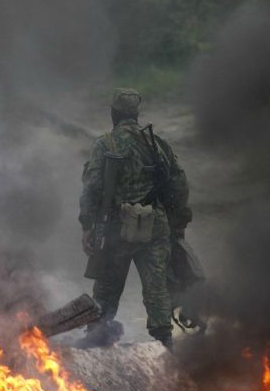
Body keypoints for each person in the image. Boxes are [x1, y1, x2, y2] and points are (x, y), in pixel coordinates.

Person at [78, 88, 191, 349]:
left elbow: (92, 187)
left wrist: (87, 225)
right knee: (156, 284)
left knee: (107, 283)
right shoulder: (157, 144)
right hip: (154, 224)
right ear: (136, 114)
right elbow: (179, 184)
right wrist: (179, 222)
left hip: (117, 226)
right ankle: (163, 340)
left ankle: (97, 334)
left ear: (113, 114)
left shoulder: (105, 144)